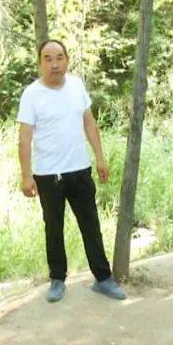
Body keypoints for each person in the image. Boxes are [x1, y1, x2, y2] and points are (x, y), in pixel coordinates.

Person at [17, 39, 126, 302]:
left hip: (79, 168)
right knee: (53, 227)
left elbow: (89, 122)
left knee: (91, 224)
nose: (54, 64)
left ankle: (103, 278)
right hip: (48, 174)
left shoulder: (77, 86)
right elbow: (24, 138)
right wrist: (26, 174)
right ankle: (57, 279)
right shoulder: (32, 94)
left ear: (67, 59)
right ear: (40, 62)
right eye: (48, 58)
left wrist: (99, 157)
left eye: (59, 57)